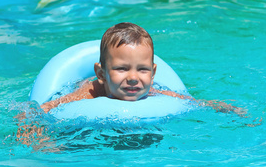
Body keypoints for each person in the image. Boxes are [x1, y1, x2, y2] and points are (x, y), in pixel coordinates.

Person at [39, 22, 244, 114]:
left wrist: (218, 107)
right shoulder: (90, 92)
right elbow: (47, 108)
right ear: (101, 73)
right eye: (122, 68)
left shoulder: (151, 92)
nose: (134, 78)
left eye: (143, 69)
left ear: (153, 73)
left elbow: (187, 101)